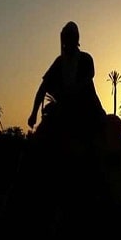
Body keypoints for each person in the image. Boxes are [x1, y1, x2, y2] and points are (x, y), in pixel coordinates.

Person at [28, 21, 106, 154]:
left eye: (70, 37)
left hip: (87, 108)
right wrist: (34, 113)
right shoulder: (59, 63)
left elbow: (86, 81)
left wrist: (68, 94)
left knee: (102, 138)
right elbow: (43, 87)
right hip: (64, 109)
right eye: (65, 37)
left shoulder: (85, 59)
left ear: (76, 39)